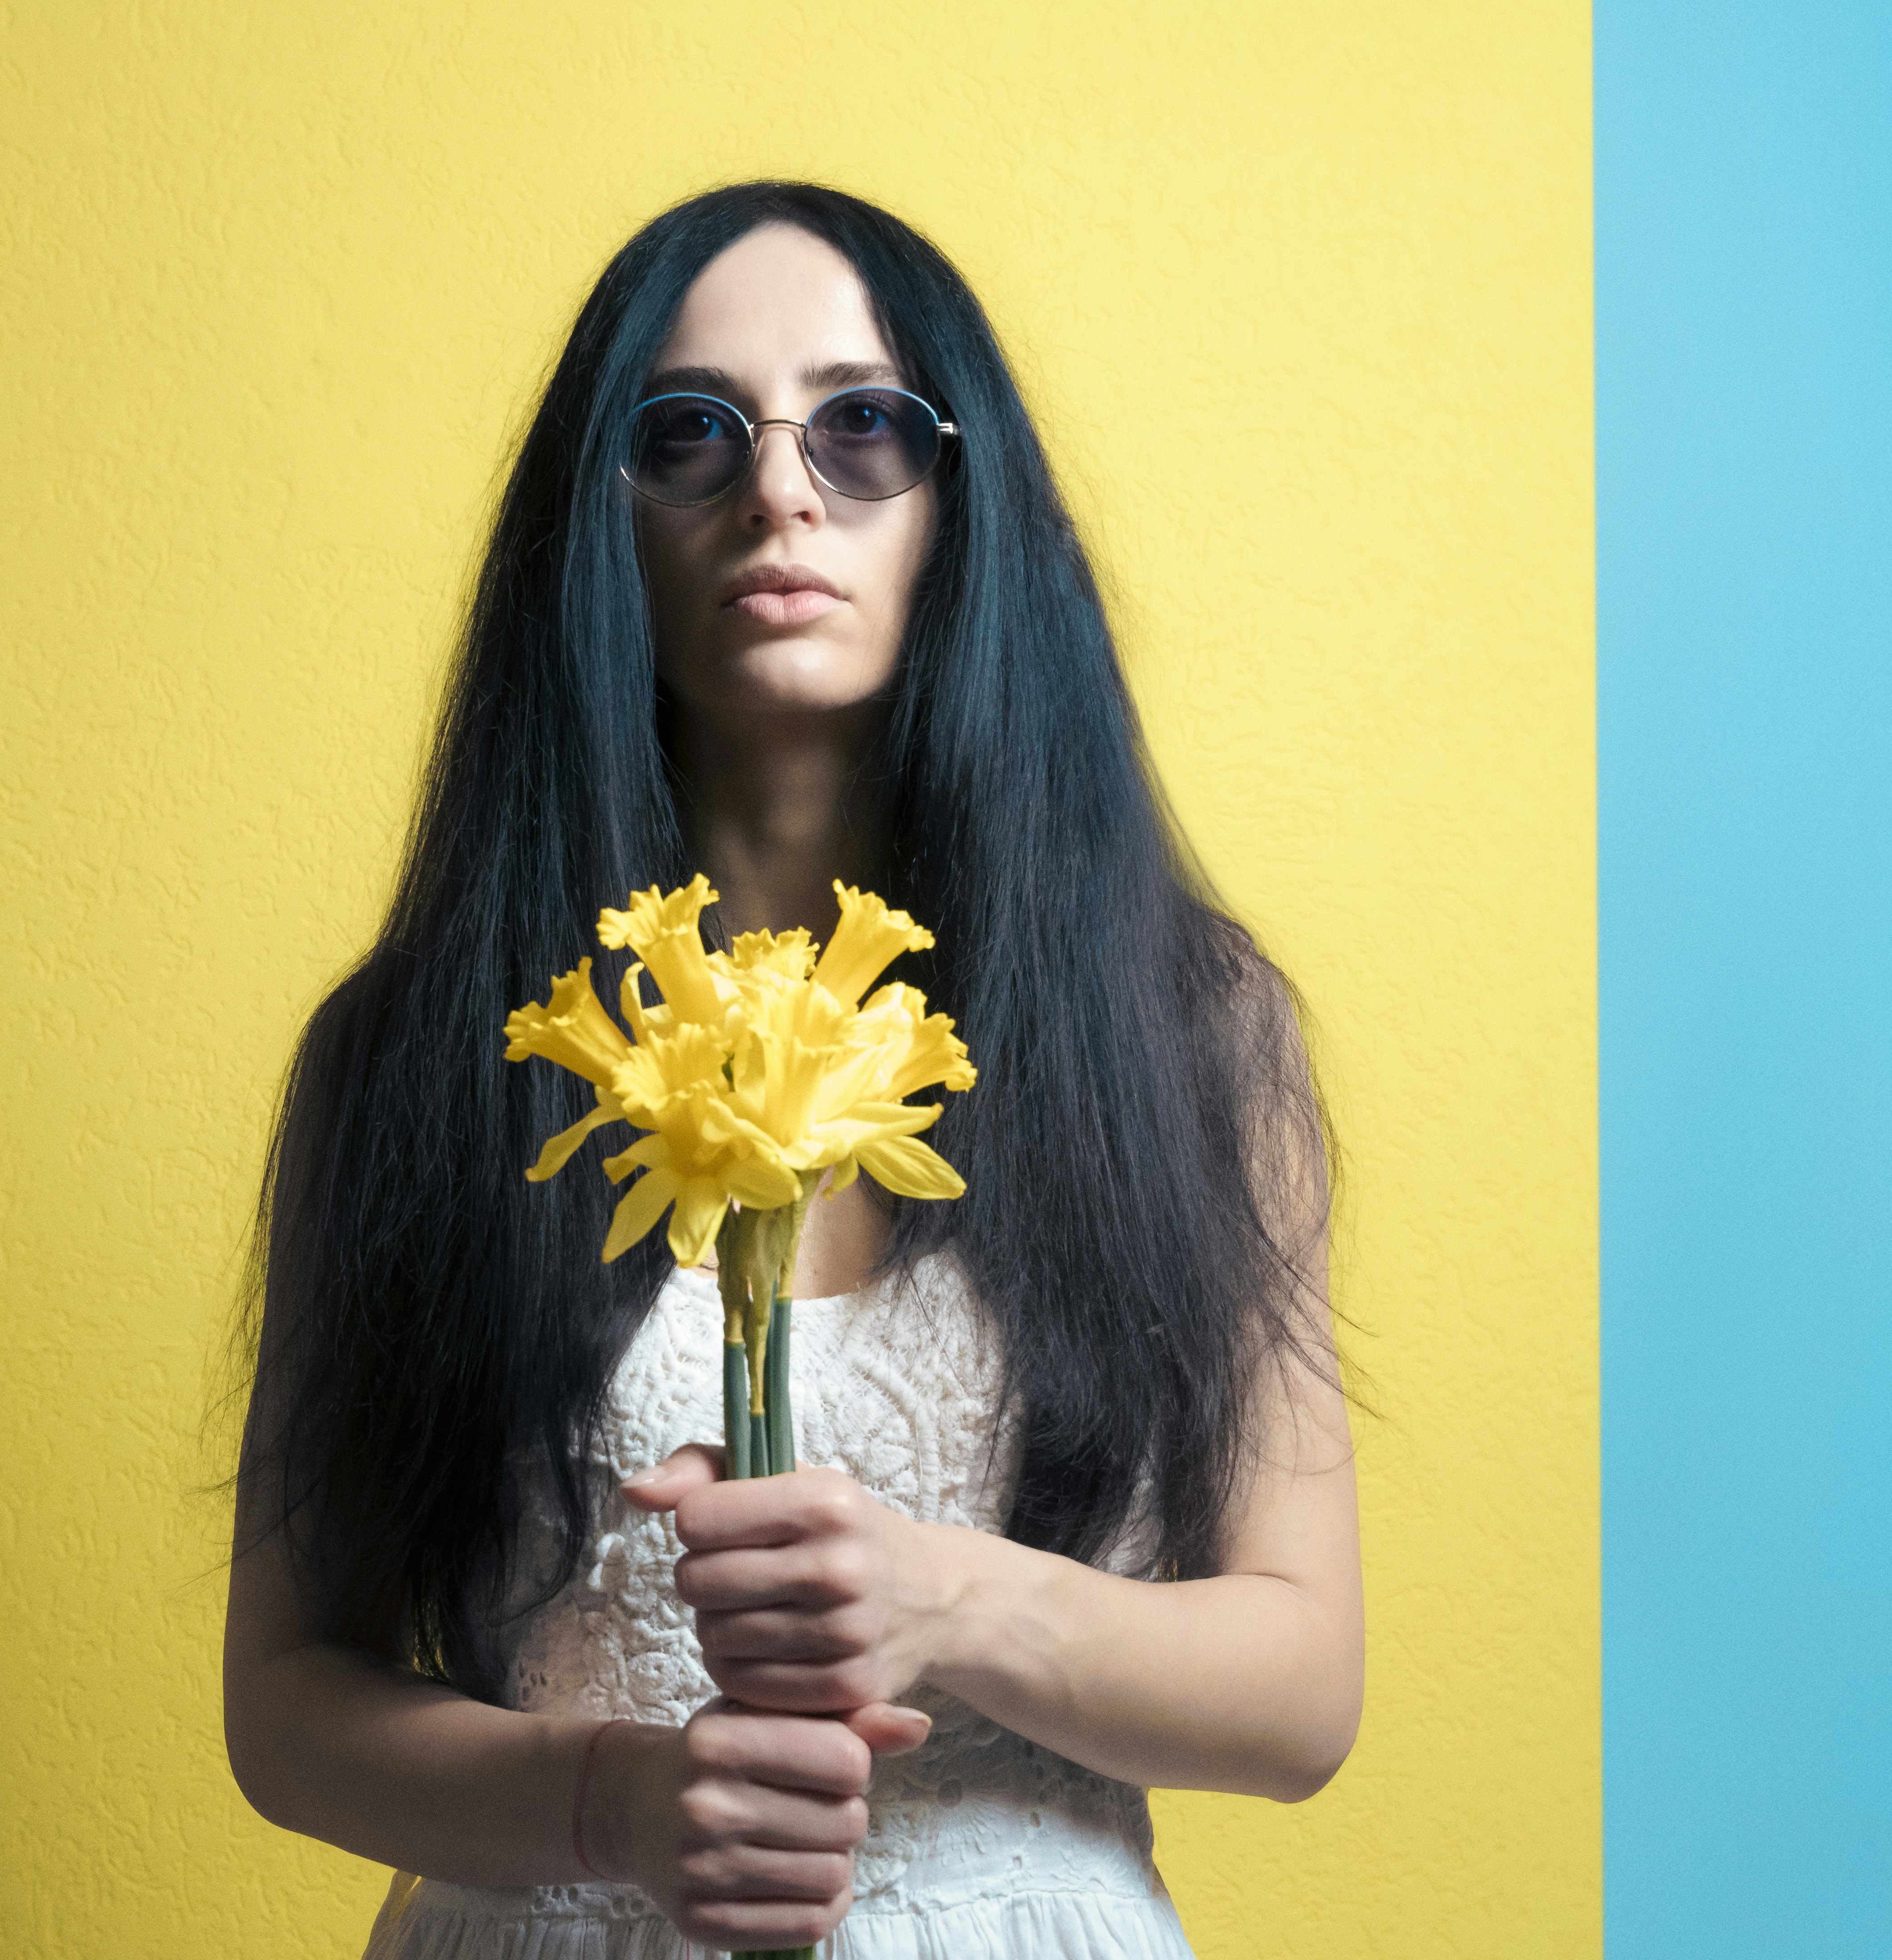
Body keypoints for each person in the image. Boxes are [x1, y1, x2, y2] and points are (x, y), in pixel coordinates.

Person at [222, 182, 1362, 1959]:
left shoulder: (1190, 1030)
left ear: (963, 508)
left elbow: (1301, 1692)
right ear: (595, 522)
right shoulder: (413, 1055)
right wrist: (610, 1807)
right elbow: (290, 1700)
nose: (779, 491)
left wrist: (950, 1600)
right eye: (688, 432)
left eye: (864, 426)